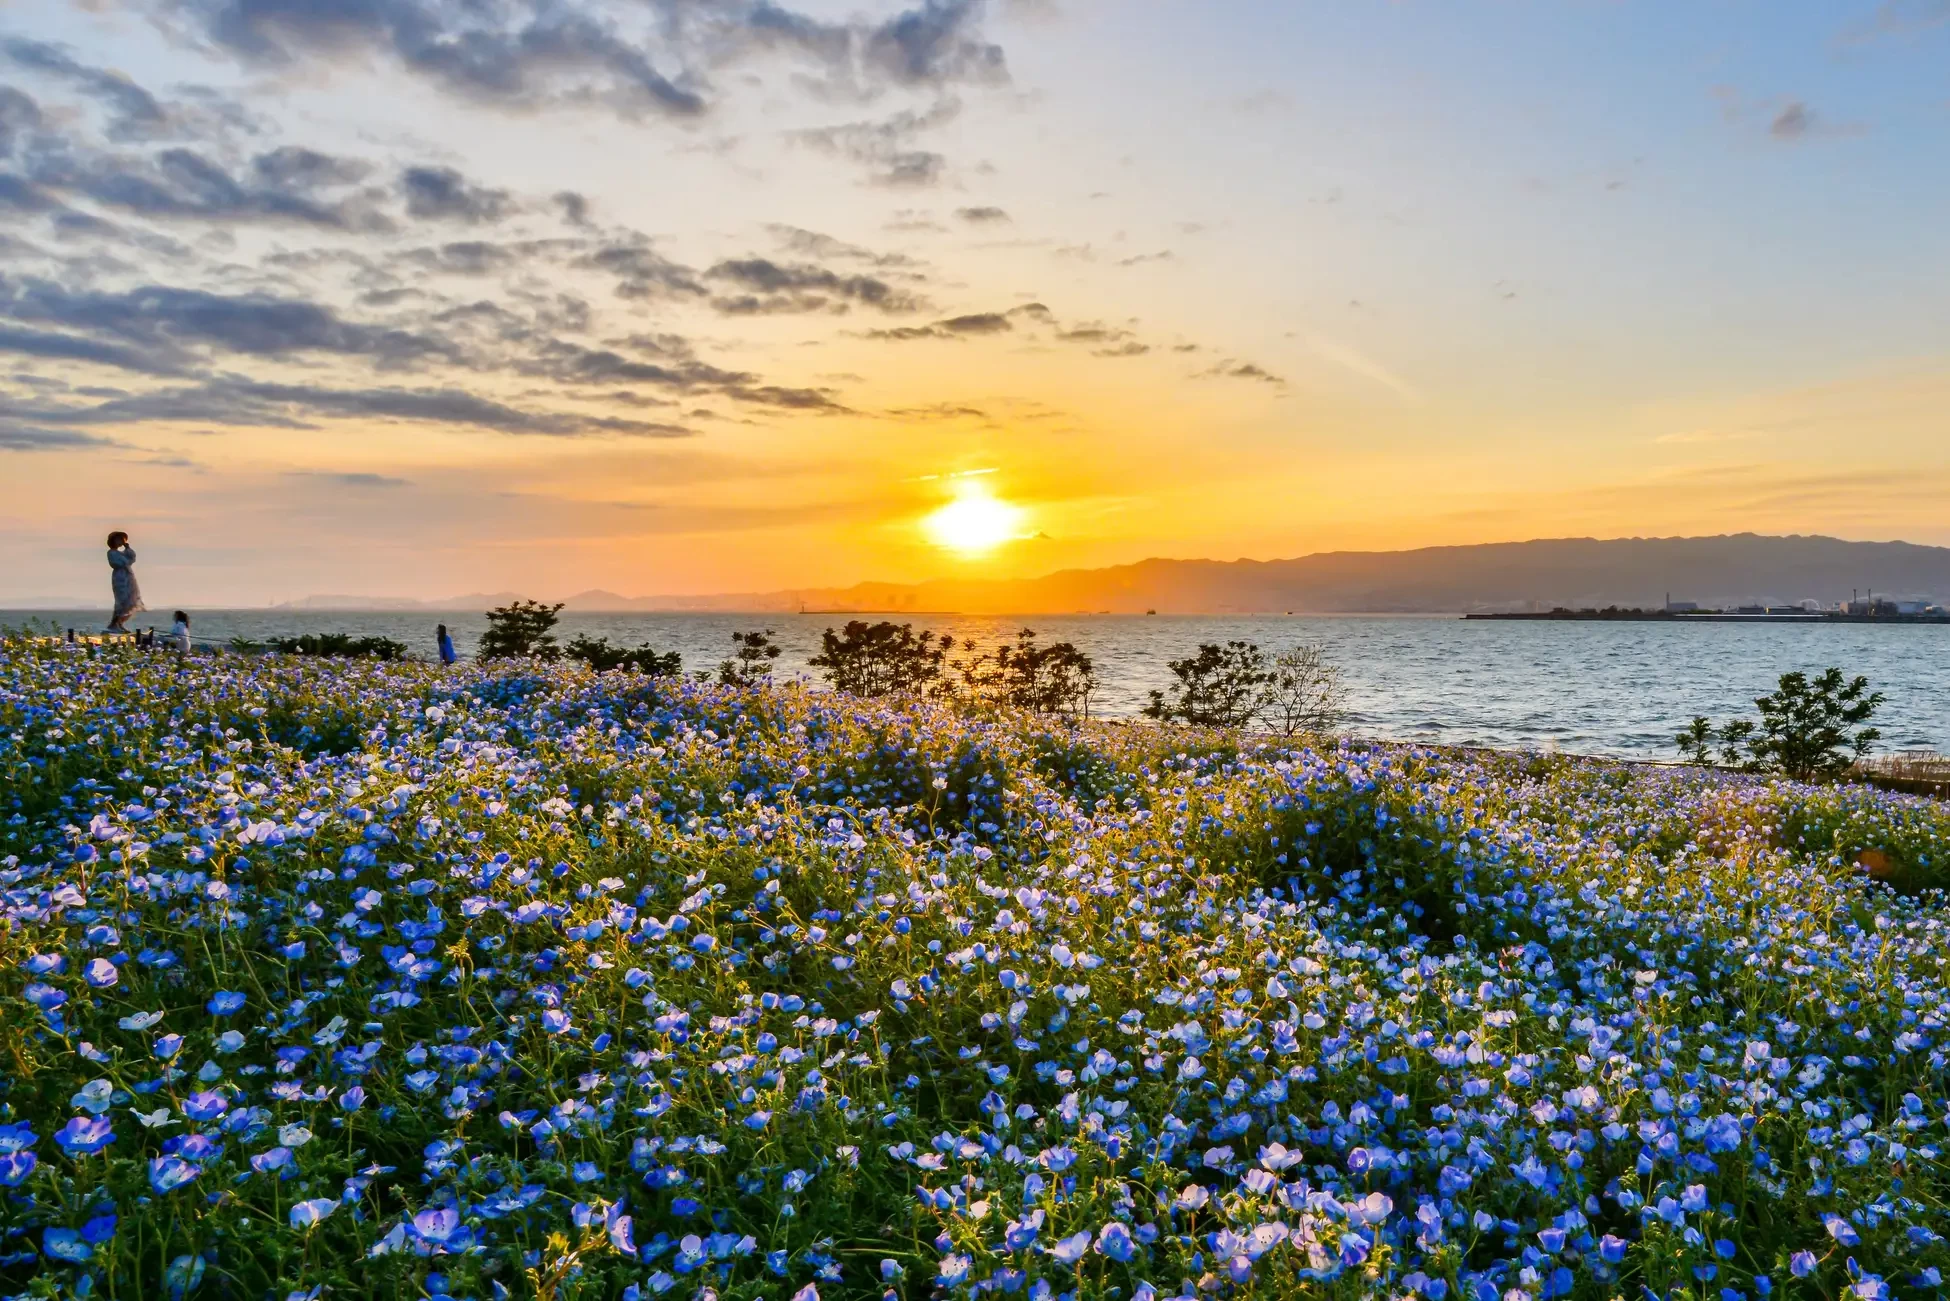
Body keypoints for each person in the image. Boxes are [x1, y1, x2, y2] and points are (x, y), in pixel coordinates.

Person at [105, 532, 143, 633]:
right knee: (122, 601)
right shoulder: (111, 553)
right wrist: (125, 562)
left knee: (130, 601)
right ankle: (115, 623)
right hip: (120, 578)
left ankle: (119, 623)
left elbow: (132, 558)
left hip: (128, 577)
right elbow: (116, 563)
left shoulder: (122, 554)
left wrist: (127, 547)